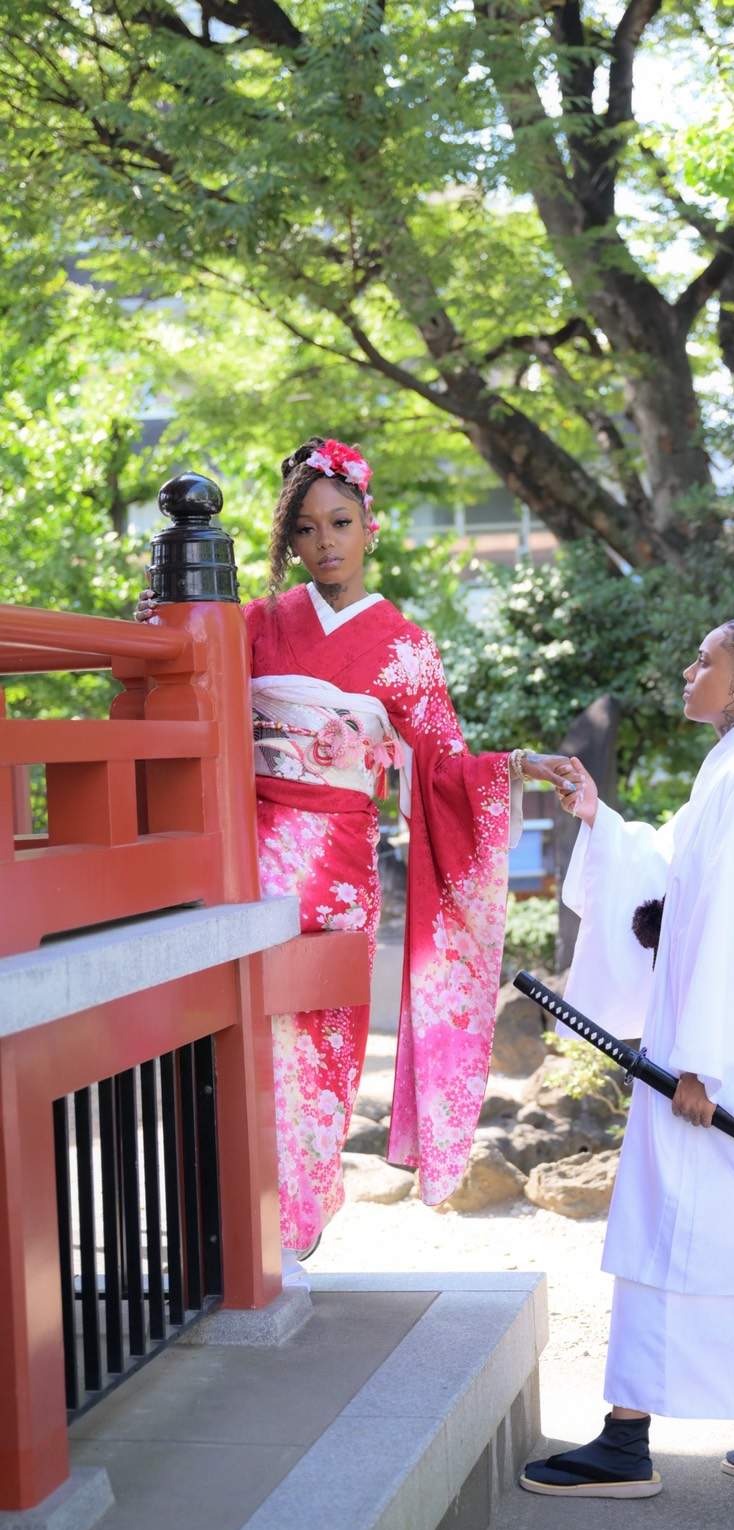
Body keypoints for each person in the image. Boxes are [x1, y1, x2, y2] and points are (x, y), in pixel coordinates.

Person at [137, 437, 564, 1284]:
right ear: (289, 542)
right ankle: (222, 1222)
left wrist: (511, 767)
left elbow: (442, 766)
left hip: (337, 866)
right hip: (249, 854)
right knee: (241, 1030)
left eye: (340, 522)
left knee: (319, 1048)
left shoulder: (404, 646)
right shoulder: (256, 622)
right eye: (305, 529)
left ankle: (291, 1225)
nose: (324, 541)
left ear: (371, 527)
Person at [522, 616, 734, 1500]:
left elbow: (733, 925)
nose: (687, 668)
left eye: (704, 660)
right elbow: (669, 870)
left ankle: (626, 1445)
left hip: (723, 1060)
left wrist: (701, 1062)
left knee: (668, 1235)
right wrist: (597, 817)